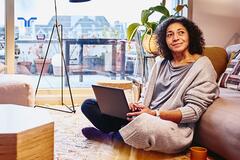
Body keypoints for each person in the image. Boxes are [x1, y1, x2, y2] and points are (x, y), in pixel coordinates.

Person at [81, 16, 219, 154]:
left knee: (144, 126)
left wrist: (155, 113)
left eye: (181, 32)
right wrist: (138, 106)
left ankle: (111, 138)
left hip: (170, 126)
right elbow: (146, 94)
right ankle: (126, 133)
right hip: (144, 115)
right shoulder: (160, 63)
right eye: (169, 35)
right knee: (88, 105)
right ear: (164, 41)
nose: (175, 38)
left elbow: (193, 111)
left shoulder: (203, 66)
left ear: (190, 36)